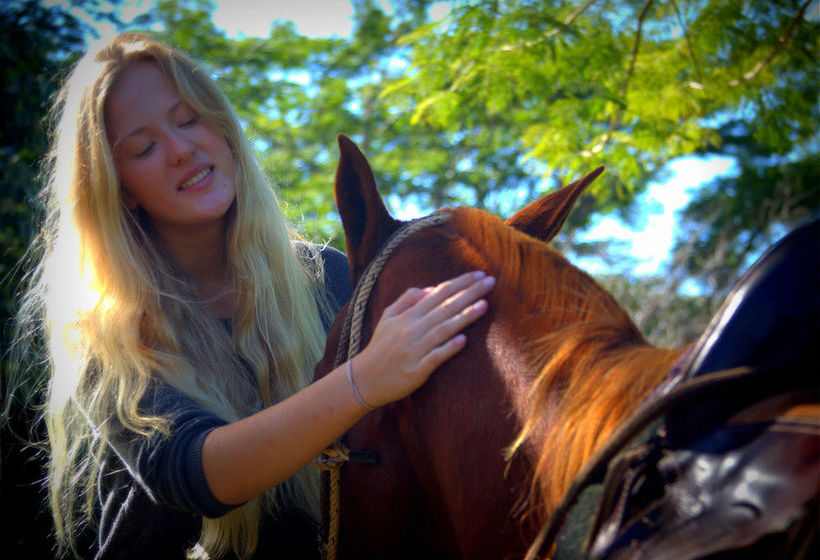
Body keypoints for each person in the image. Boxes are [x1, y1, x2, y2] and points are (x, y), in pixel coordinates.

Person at [13, 33, 494, 559]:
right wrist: (364, 379)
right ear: (119, 187)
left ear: (221, 126)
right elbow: (199, 475)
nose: (181, 149)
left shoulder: (326, 276)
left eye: (189, 118)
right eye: (144, 148)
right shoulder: (106, 333)